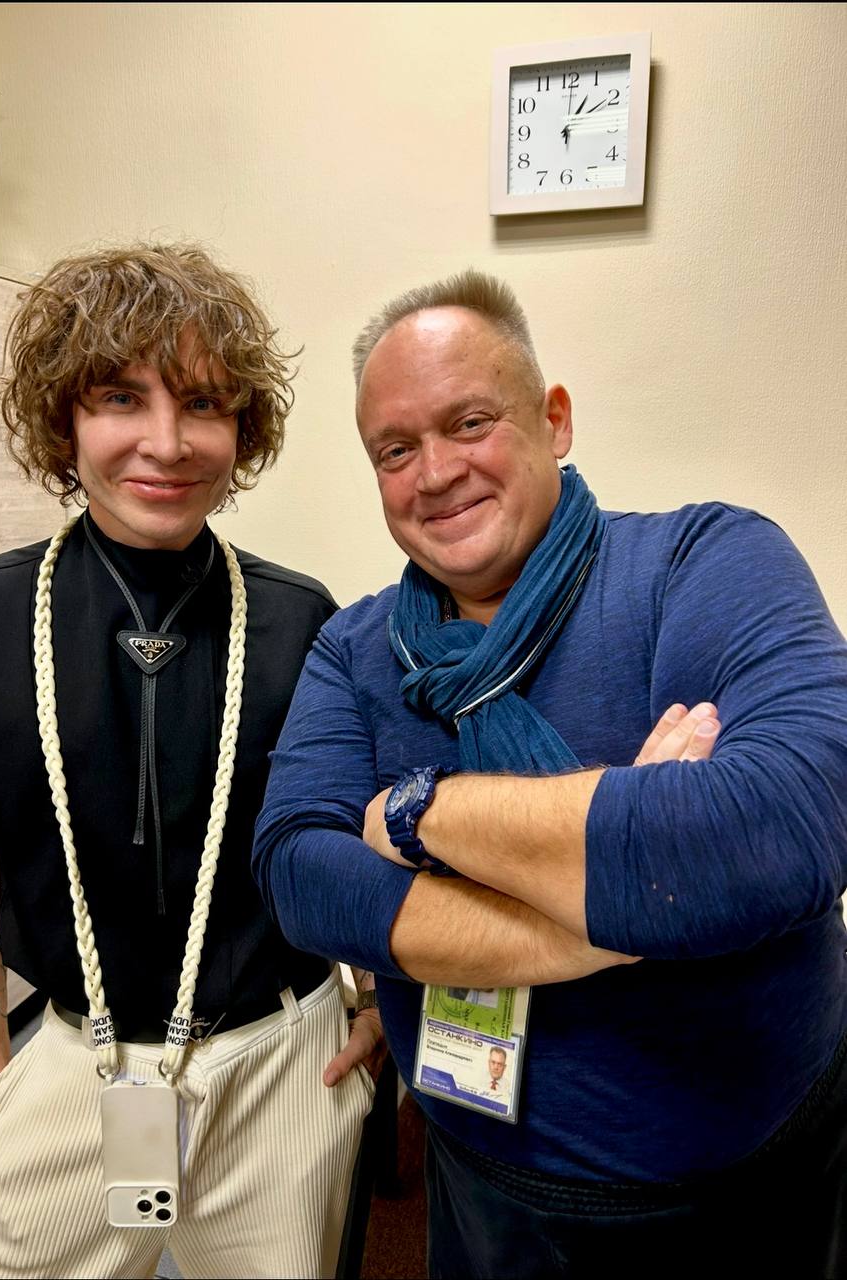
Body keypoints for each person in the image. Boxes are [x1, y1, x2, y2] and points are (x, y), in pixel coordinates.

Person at [253, 270, 847, 1279]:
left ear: (554, 419)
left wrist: (418, 811)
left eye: (469, 422)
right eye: (395, 450)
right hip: (487, 1178)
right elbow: (301, 875)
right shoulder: (354, 648)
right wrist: (614, 909)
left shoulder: (704, 559)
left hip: (748, 1180)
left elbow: (785, 827)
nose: (435, 472)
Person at [0, 244, 382, 1280]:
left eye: (202, 403)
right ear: (62, 420)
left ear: (242, 428)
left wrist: (379, 1000)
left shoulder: (306, 625)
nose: (166, 441)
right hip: (72, 1069)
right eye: (121, 396)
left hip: (278, 1064)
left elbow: (351, 831)